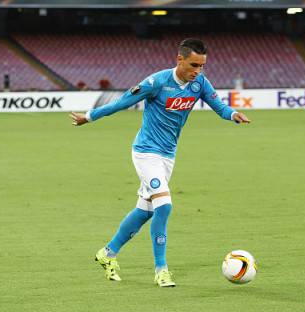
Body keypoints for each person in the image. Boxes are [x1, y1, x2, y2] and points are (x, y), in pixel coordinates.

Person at [70, 38, 251, 287]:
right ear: (180, 59)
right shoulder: (157, 82)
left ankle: (107, 253)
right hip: (146, 152)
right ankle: (161, 270)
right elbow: (122, 102)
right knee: (164, 206)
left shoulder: (199, 83)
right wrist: (88, 117)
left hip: (167, 157)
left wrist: (232, 114)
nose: (197, 71)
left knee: (145, 211)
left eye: (202, 66)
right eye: (193, 65)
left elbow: (218, 105)